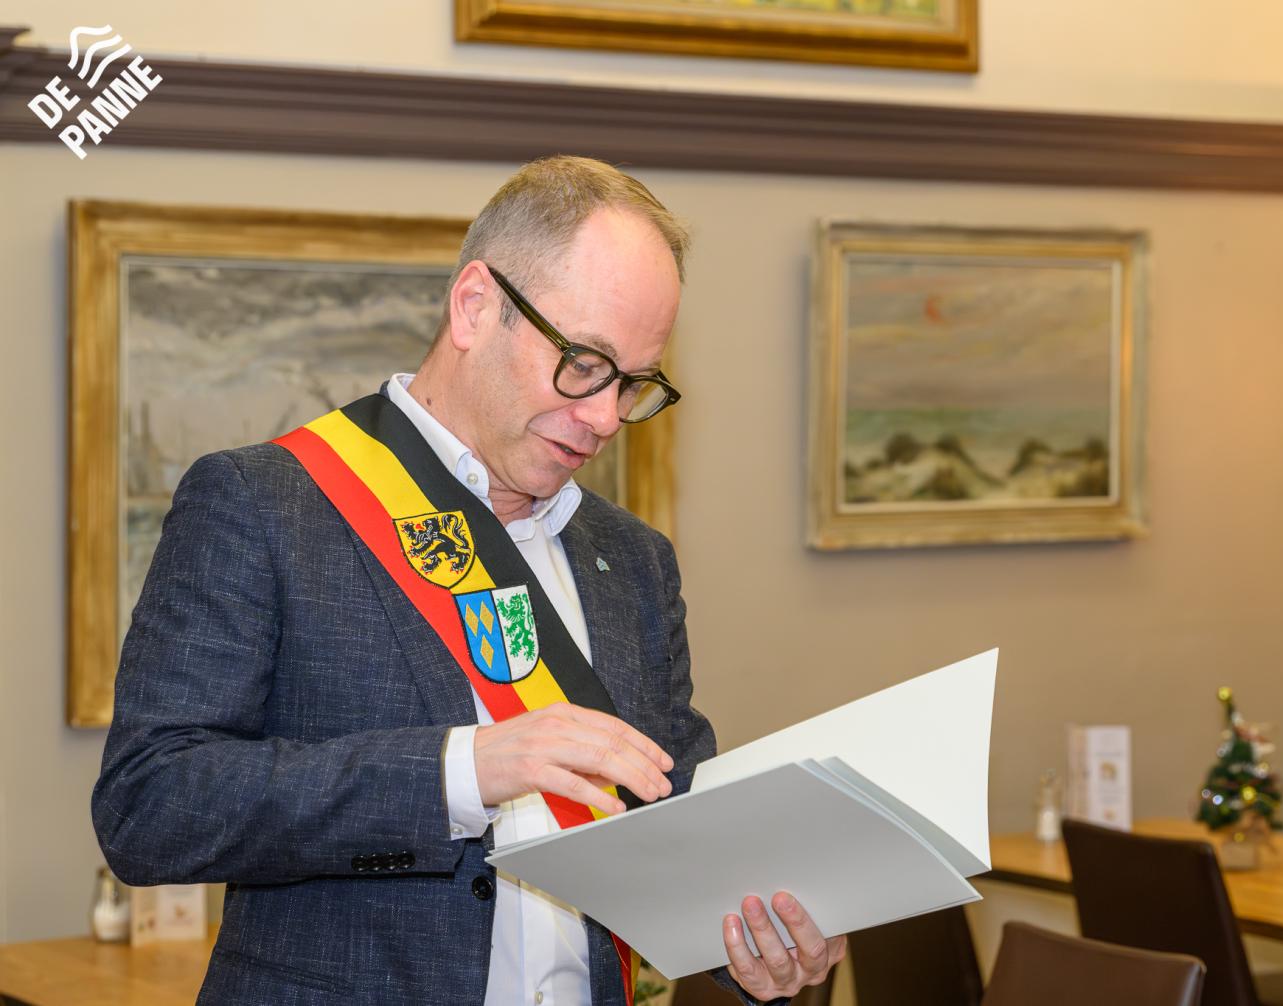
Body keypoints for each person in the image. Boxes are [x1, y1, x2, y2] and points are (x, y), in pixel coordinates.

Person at [92, 156, 844, 1004]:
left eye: (634, 384)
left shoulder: (632, 559)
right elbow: (149, 806)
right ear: (475, 306)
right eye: (584, 362)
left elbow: (674, 825)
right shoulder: (265, 504)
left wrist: (754, 946)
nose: (604, 417)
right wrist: (463, 769)